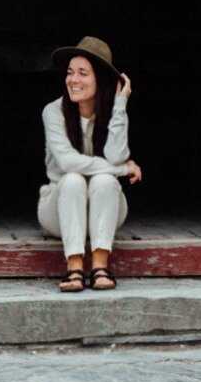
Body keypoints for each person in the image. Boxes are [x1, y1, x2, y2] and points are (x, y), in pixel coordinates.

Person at [39, 34, 142, 292]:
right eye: (70, 72)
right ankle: (74, 267)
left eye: (83, 73)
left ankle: (99, 267)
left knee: (105, 180)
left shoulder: (110, 112)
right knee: (73, 178)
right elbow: (67, 161)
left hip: (105, 210)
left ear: (101, 79)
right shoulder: (54, 111)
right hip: (58, 209)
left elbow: (116, 154)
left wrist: (120, 106)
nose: (73, 80)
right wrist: (122, 169)